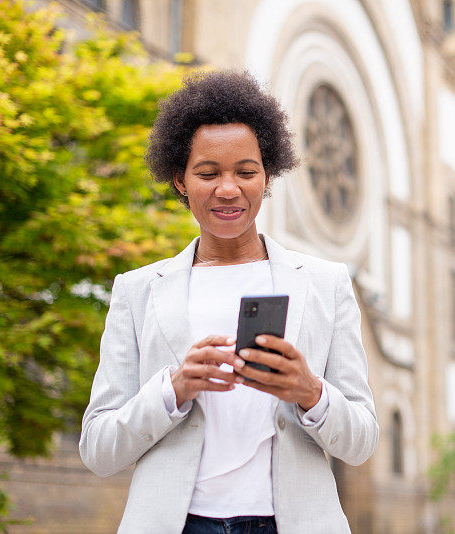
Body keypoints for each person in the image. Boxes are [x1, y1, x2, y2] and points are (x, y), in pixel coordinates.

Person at [79, 70, 379, 534]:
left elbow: (361, 443)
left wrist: (309, 391)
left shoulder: (326, 284)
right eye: (208, 173)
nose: (228, 189)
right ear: (180, 180)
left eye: (246, 171)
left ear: (267, 176)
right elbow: (98, 449)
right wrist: (172, 390)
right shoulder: (138, 290)